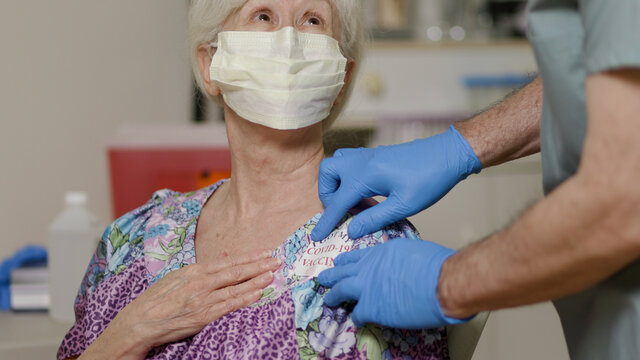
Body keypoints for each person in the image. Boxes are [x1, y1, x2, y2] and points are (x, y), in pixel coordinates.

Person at [57, 1, 450, 359]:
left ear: (340, 77)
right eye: (263, 15)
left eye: (312, 20)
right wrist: (128, 333)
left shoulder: (379, 256)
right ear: (210, 65)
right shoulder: (131, 238)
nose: (288, 41)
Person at [312, 1, 640, 359]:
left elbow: (622, 201)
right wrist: (462, 145)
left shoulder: (381, 240)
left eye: (311, 20)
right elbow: (589, 72)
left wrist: (450, 282)